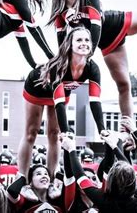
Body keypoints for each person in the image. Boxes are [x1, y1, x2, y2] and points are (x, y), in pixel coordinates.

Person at [17, 27, 106, 177]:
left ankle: (51, 179)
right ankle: (23, 178)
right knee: (31, 132)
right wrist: (66, 131)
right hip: (37, 88)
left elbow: (95, 101)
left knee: (54, 134)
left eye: (86, 40)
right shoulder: (59, 66)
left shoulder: (92, 68)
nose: (83, 43)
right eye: (79, 40)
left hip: (61, 94)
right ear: (70, 44)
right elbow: (58, 102)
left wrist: (102, 129)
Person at [61, 132, 137, 213]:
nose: (90, 180)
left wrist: (71, 149)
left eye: (93, 178)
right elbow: (129, 170)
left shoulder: (106, 202)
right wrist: (114, 146)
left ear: (110, 184)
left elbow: (80, 177)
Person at [7, 163, 75, 212]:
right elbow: (11, 191)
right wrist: (23, 178)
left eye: (46, 174)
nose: (44, 176)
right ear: (31, 182)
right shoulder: (25, 201)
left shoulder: (57, 200)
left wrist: (57, 175)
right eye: (38, 174)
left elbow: (71, 180)